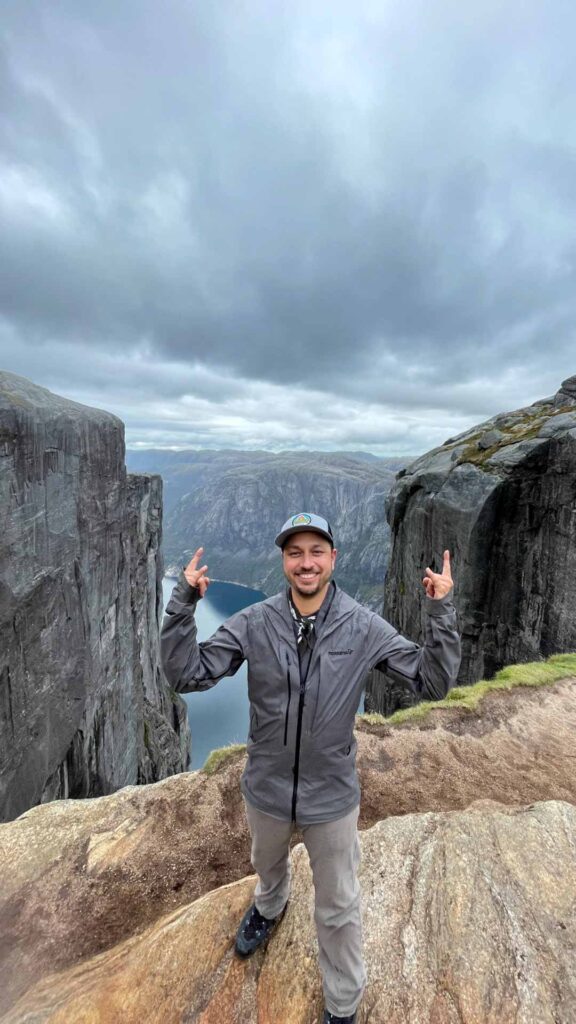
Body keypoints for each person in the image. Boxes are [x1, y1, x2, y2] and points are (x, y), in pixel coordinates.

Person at [161, 512, 461, 1024]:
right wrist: (183, 603)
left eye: (315, 552)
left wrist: (441, 610)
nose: (306, 563)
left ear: (332, 559)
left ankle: (342, 1006)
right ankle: (270, 906)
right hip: (267, 789)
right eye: (295, 552)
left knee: (339, 905)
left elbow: (431, 683)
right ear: (283, 560)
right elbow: (188, 673)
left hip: (331, 796)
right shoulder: (255, 622)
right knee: (268, 865)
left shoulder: (363, 626)